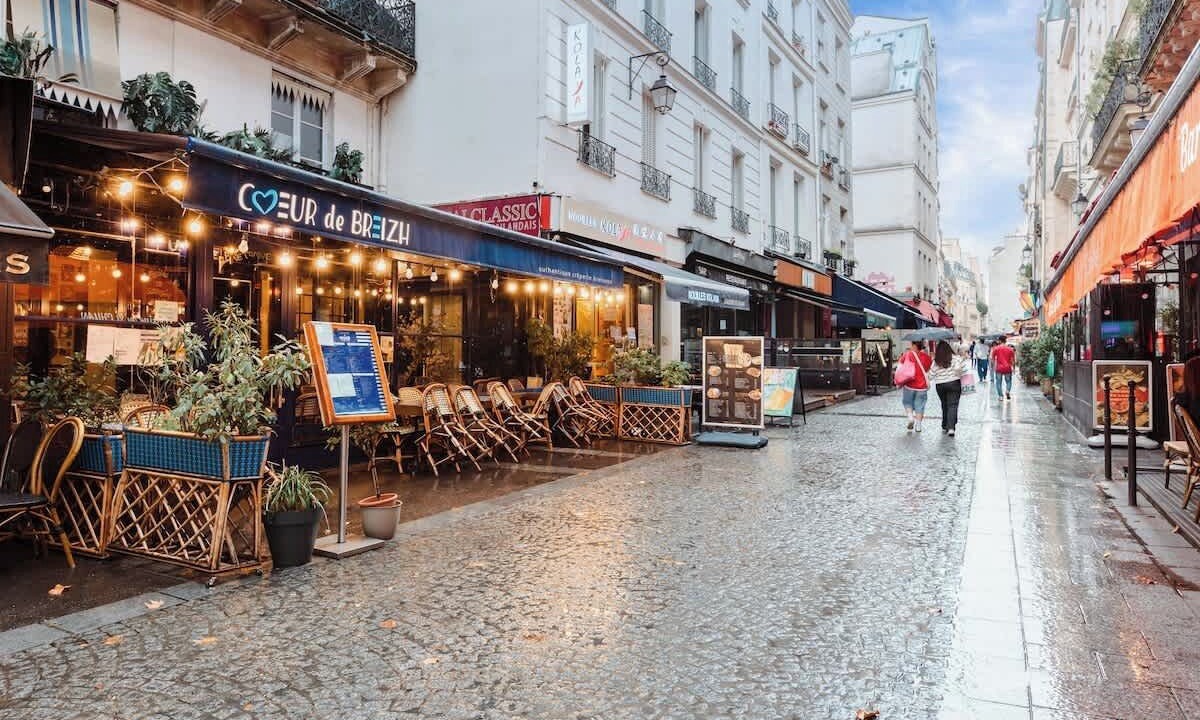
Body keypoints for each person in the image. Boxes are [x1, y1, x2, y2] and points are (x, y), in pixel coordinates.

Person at [929, 340, 969, 436]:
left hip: (940, 385)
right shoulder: (956, 358)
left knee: (944, 404)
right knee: (953, 405)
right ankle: (951, 428)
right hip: (954, 383)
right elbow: (964, 371)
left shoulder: (936, 361)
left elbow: (931, 375)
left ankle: (944, 425)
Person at [898, 340, 933, 432]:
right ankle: (918, 426)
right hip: (921, 387)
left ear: (913, 345)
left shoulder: (907, 354)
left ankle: (910, 418)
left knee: (907, 402)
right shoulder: (926, 357)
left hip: (909, 384)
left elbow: (900, 366)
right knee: (920, 406)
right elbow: (928, 369)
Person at [991, 336, 1016, 401]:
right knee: (1008, 381)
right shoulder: (1010, 349)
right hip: (1008, 368)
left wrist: (993, 366)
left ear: (999, 341)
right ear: (1005, 341)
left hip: (999, 368)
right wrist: (1014, 368)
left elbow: (992, 359)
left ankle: (1000, 396)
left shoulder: (996, 348)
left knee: (998, 382)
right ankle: (1007, 391)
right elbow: (1013, 360)